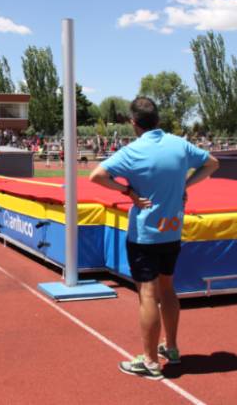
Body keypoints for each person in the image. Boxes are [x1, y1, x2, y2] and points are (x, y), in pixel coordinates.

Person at [90, 97, 219, 380]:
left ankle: (149, 361)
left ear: (133, 123)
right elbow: (212, 163)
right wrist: (185, 184)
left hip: (145, 234)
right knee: (168, 289)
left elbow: (96, 176)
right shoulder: (179, 145)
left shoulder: (132, 151)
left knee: (147, 294)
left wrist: (127, 192)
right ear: (158, 120)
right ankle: (171, 347)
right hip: (172, 230)